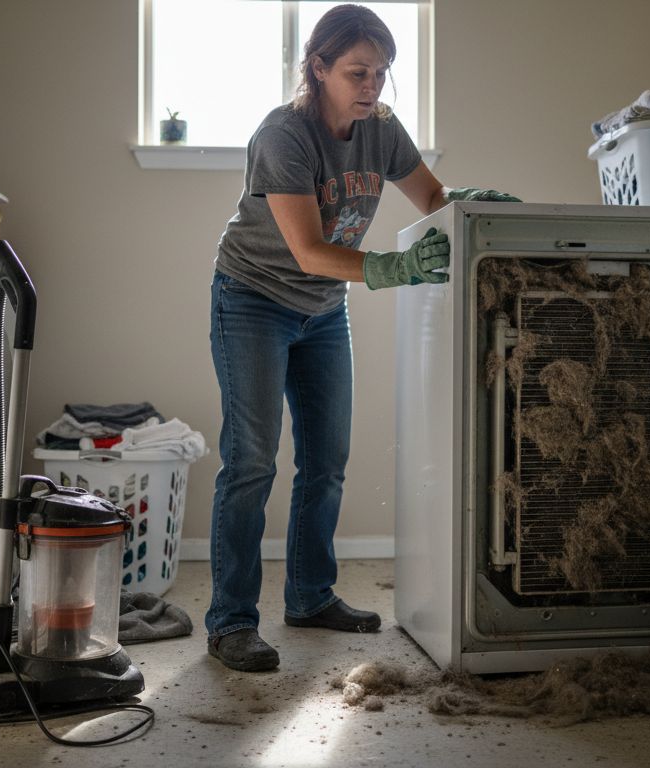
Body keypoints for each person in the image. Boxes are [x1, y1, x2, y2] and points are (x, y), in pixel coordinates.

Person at [206, 3, 519, 672]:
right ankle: (231, 621)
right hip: (252, 299)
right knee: (252, 459)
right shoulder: (282, 137)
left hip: (322, 310)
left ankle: (310, 596)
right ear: (317, 68)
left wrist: (472, 204)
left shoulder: (381, 130)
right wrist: (394, 268)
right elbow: (310, 250)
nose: (371, 85)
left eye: (381, 72)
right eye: (356, 72)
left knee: (327, 459)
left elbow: (432, 199)